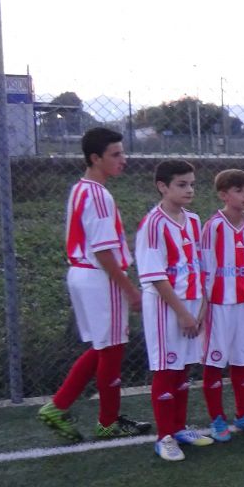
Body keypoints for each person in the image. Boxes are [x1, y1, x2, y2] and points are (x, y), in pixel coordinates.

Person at [38, 127, 151, 442]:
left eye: (122, 152)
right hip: (99, 278)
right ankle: (106, 422)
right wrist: (129, 289)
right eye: (116, 154)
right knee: (112, 350)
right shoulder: (99, 194)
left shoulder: (80, 188)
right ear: (95, 158)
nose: (123, 160)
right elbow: (102, 250)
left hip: (81, 274)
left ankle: (60, 407)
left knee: (103, 348)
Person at [136, 159, 214, 462]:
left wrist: (201, 306)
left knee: (183, 367)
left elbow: (199, 265)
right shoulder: (153, 224)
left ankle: (179, 428)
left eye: (192, 184)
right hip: (165, 307)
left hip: (192, 304)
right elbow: (156, 276)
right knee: (166, 369)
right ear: (162, 186)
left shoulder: (193, 220)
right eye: (182, 184)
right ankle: (164, 437)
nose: (189, 190)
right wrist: (182, 313)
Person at [198, 169, 244, 442]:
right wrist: (203, 304)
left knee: (243, 357)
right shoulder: (213, 226)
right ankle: (217, 418)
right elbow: (206, 266)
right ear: (223, 195)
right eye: (239, 191)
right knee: (215, 361)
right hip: (219, 304)